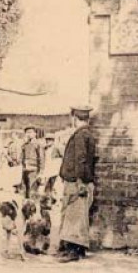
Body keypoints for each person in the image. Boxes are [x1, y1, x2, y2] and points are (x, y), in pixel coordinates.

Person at [57, 106, 97, 263]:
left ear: (74, 118)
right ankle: (79, 250)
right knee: (79, 216)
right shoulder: (87, 134)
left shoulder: (80, 135)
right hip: (81, 181)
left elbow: (80, 159)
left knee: (73, 216)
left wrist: (80, 182)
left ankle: (72, 251)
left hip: (76, 182)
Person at [20, 127, 45, 199]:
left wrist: (41, 172)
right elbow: (21, 157)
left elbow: (42, 158)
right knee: (24, 190)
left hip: (34, 170)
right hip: (25, 170)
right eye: (27, 132)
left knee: (32, 191)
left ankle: (33, 207)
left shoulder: (38, 144)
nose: (29, 134)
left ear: (35, 134)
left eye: (31, 132)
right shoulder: (24, 145)